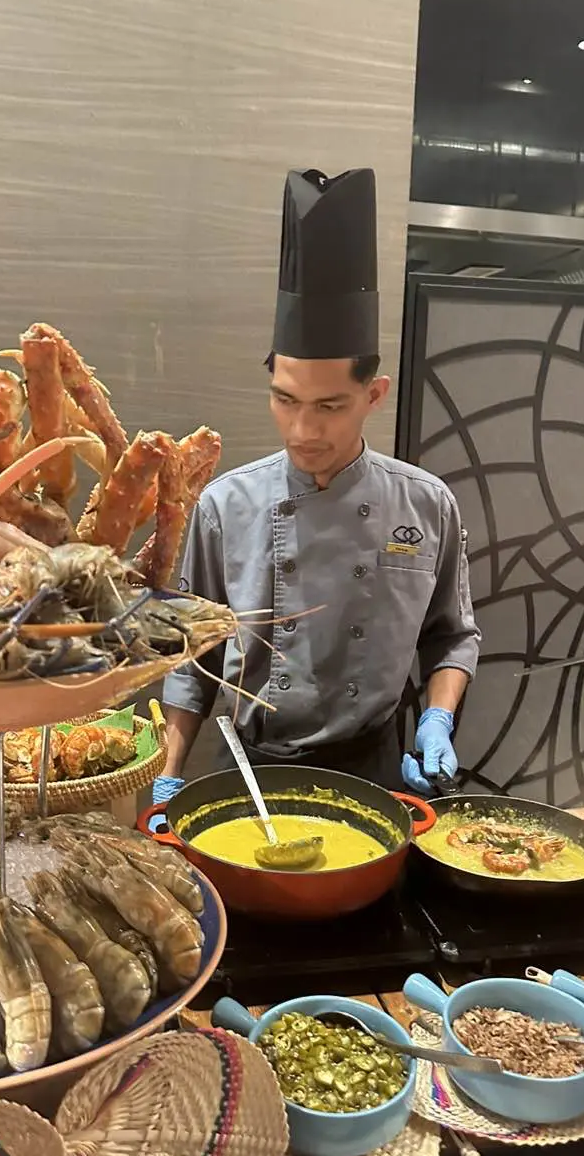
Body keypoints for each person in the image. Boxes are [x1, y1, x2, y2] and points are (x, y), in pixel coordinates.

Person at [153, 167, 480, 806]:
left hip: (374, 765)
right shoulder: (225, 505)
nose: (302, 429)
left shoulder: (425, 503)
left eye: (329, 406)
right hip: (247, 770)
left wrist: (438, 720)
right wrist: (169, 779)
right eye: (285, 399)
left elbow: (453, 635)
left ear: (373, 395)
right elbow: (195, 657)